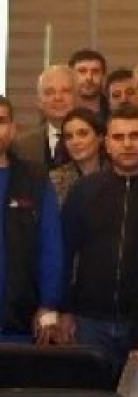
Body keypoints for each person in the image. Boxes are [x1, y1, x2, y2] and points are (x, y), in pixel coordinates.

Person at [62, 103, 138, 378]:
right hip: (89, 321)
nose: (127, 144)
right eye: (118, 137)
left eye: (135, 136)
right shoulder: (84, 191)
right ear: (107, 143)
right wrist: (64, 310)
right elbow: (64, 254)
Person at [0, 96, 63, 345]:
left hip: (20, 322)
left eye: (1, 121)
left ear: (13, 129)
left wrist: (49, 304)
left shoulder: (34, 178)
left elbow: (51, 246)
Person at [14, 65, 76, 170]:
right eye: (50, 92)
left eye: (66, 91)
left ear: (77, 97)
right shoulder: (21, 146)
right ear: (39, 101)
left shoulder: (95, 143)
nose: (58, 97)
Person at [48, 107, 106, 205]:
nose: (75, 142)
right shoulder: (54, 181)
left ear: (99, 137)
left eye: (83, 134)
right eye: (69, 136)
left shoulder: (117, 173)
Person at [68, 48, 109, 121]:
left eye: (95, 71)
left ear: (103, 76)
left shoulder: (114, 112)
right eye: (82, 71)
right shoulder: (61, 111)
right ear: (70, 75)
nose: (89, 78)